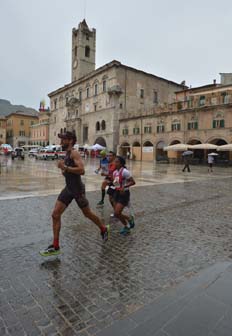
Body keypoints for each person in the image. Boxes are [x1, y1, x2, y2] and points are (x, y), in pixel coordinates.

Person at [40, 131, 109, 257]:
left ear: (71, 140)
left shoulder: (74, 153)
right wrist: (64, 170)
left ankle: (103, 228)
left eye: (64, 140)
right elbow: (69, 171)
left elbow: (82, 170)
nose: (61, 142)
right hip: (68, 189)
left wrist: (65, 168)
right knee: (55, 215)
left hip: (77, 190)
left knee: (87, 213)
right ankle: (55, 246)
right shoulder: (66, 154)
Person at [112, 156, 135, 235]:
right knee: (116, 214)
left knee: (117, 212)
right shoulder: (114, 172)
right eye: (115, 161)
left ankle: (127, 226)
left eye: (116, 162)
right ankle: (128, 221)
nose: (114, 163)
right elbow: (116, 183)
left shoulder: (125, 171)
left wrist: (124, 187)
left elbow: (133, 182)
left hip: (124, 194)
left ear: (121, 164)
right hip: (117, 193)